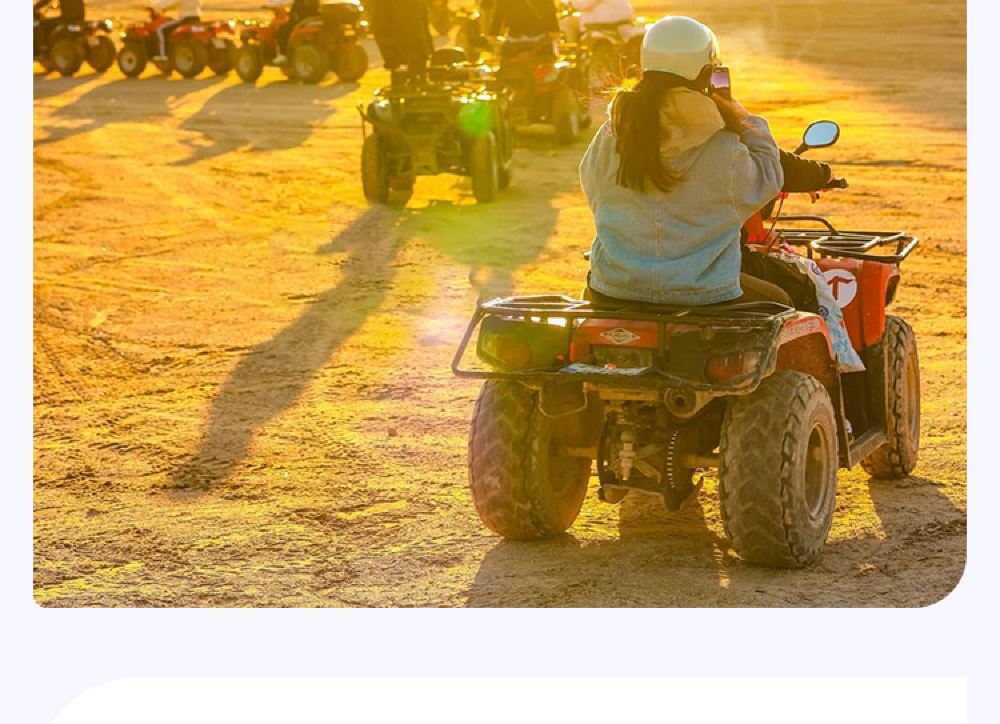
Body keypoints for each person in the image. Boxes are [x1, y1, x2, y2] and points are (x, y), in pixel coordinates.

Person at [580, 15, 826, 307]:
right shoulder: (722, 144)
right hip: (701, 295)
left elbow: (594, 193)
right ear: (708, 74)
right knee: (788, 298)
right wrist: (742, 116)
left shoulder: (611, 134)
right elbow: (769, 176)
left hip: (611, 289)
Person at [367, 0, 434, 78]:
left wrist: (428, 47)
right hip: (403, 54)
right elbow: (381, 26)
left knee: (415, 76)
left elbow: (423, 22)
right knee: (402, 79)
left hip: (416, 53)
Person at [490, 0, 560, 58]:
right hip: (538, 38)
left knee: (511, 68)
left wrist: (493, 34)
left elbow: (498, 16)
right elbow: (550, 13)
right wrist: (554, 30)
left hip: (516, 39)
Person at [270, 0, 319, 66]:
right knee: (284, 28)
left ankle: (283, 55)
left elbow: (297, 13)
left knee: (282, 31)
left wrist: (293, 19)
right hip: (307, 19)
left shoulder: (300, 2)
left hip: (300, 21)